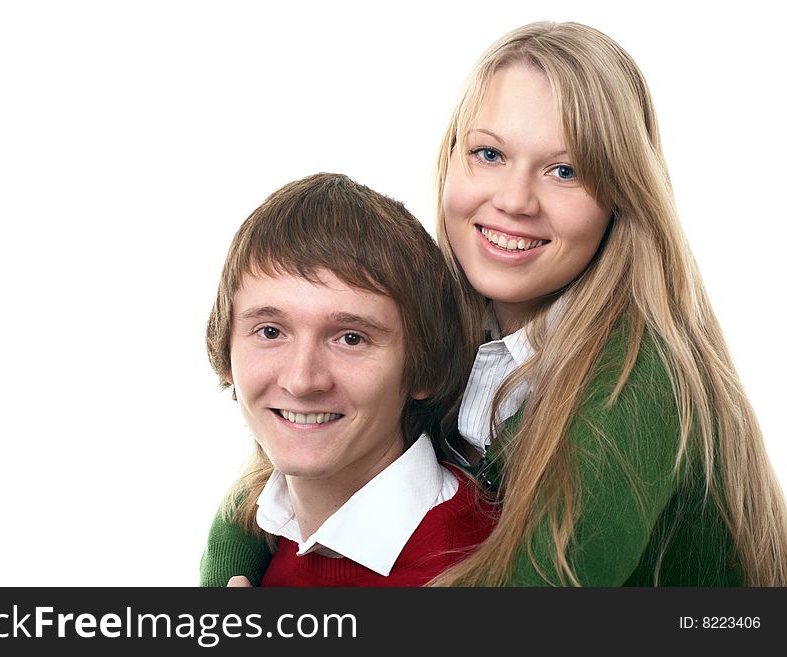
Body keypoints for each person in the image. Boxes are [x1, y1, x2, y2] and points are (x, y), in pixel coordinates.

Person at [201, 21, 787, 586]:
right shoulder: (440, 319)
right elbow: (271, 479)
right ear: (450, 155)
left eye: (564, 170)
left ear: (621, 196)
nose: (514, 200)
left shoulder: (638, 382)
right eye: (489, 155)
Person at [202, 172, 496, 586]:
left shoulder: (474, 569)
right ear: (227, 354)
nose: (302, 380)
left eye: (350, 338)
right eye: (270, 332)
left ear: (422, 368)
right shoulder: (259, 526)